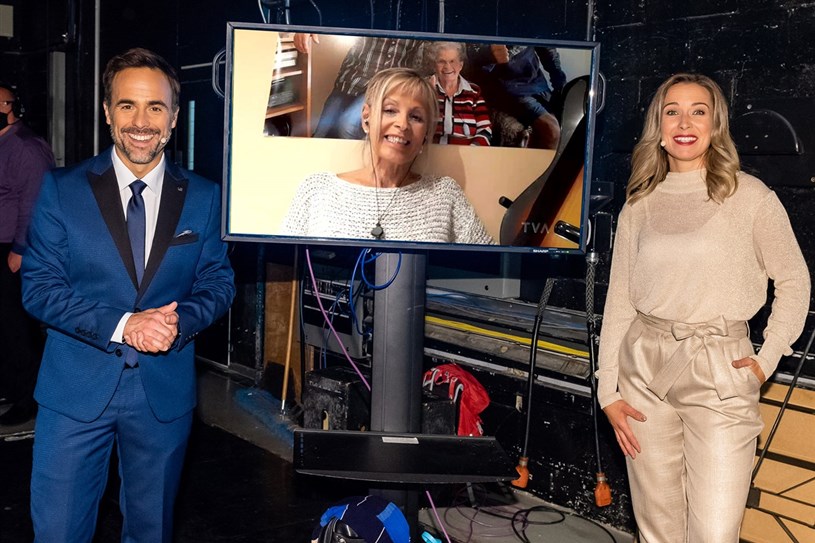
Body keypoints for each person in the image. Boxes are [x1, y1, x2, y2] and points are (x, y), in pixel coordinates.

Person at [21, 48, 235, 542]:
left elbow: (218, 282)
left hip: (163, 392)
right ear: (107, 112)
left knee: (151, 531)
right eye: (127, 105)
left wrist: (178, 323)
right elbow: (39, 288)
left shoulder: (205, 197)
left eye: (155, 107)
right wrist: (124, 324)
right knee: (58, 532)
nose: (141, 122)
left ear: (174, 117)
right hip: (74, 390)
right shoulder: (61, 189)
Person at [597, 73, 810, 542]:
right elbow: (620, 301)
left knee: (714, 531)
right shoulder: (640, 204)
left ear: (716, 125)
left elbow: (795, 281)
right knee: (658, 528)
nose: (685, 122)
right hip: (643, 370)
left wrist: (767, 357)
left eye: (699, 111)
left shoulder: (750, 197)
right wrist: (607, 389)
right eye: (672, 111)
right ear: (659, 127)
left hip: (720, 369)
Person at [280, 68, 493, 244]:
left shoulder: (444, 194)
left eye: (416, 117)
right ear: (366, 118)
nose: (402, 124)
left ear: (426, 132)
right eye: (390, 110)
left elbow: (494, 269)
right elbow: (280, 268)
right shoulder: (318, 190)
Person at [0, 81, 54, 426]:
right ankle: (11, 386)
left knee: (17, 327)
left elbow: (36, 203)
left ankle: (29, 398)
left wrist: (20, 250)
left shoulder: (26, 147)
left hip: (15, 249)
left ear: (9, 106)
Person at [294, 33, 425, 140]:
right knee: (322, 132)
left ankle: (352, 162)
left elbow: (420, 61)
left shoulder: (416, 21)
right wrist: (306, 24)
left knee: (348, 125)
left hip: (381, 88)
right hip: (351, 79)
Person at [468, 45, 566, 149]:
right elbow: (470, 55)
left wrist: (560, 82)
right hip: (508, 89)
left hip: (538, 84)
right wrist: (490, 53)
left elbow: (547, 49)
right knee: (552, 130)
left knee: (566, 124)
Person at [427, 41, 492, 146]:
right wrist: (426, 96)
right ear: (434, 65)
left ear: (461, 65)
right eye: (441, 61)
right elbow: (414, 124)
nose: (447, 66)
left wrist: (473, 150)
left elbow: (485, 130)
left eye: (452, 61)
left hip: (467, 153)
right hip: (431, 151)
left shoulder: (474, 92)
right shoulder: (424, 88)